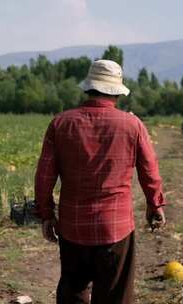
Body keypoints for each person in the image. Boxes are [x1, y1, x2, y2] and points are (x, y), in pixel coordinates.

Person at [34, 59, 167, 304]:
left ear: (88, 87)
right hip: (115, 227)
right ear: (116, 91)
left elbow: (44, 177)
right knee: (115, 294)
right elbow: (149, 170)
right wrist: (154, 204)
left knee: (73, 289)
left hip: (73, 227)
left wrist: (45, 214)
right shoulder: (132, 124)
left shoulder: (61, 123)